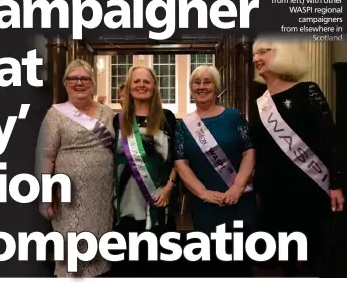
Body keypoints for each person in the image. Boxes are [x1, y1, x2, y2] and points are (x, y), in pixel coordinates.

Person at [249, 38, 344, 277]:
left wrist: (336, 183)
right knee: (285, 259)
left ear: (283, 54)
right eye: (254, 54)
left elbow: (330, 139)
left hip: (310, 188)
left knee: (315, 259)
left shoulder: (307, 90)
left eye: (264, 52)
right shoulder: (259, 103)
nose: (256, 58)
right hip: (274, 193)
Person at [35, 59, 116, 277]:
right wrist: (45, 195)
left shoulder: (107, 114)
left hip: (101, 197)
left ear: (92, 83)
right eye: (73, 78)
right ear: (65, 83)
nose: (79, 82)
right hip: (68, 197)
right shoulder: (55, 114)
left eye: (84, 78)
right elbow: (45, 157)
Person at [174, 65, 256, 276]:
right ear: (191, 88)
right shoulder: (184, 125)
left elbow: (249, 151)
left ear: (217, 86)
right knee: (209, 264)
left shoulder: (234, 116)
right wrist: (203, 193)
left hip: (238, 201)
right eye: (197, 82)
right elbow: (181, 162)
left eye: (207, 81)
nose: (202, 86)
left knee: (239, 262)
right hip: (205, 205)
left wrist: (237, 187)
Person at [111, 66, 178, 277]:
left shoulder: (167, 118)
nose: (141, 85)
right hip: (126, 206)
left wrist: (169, 187)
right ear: (129, 87)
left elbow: (178, 158)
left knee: (159, 267)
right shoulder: (118, 120)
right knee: (129, 268)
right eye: (136, 81)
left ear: (154, 87)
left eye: (146, 81)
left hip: (160, 203)